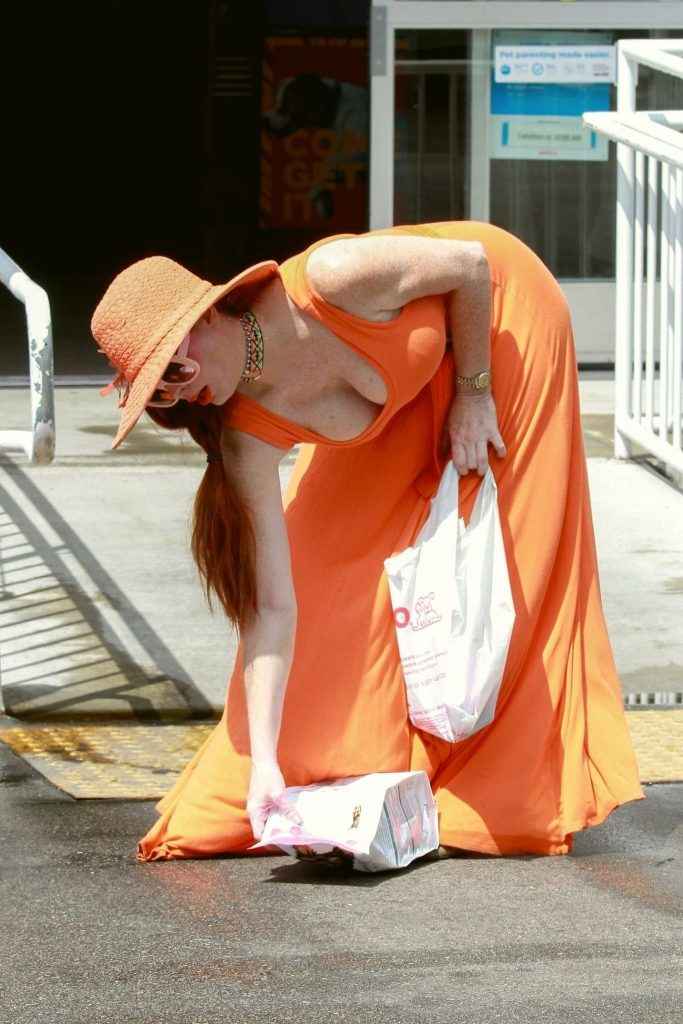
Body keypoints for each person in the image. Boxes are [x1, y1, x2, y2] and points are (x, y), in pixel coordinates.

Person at [91, 220, 644, 863]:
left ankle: (493, 793)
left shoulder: (333, 279)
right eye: (161, 395)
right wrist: (265, 764)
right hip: (408, 388)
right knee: (320, 570)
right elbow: (272, 608)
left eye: (174, 369)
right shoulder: (244, 435)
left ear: (209, 315)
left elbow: (468, 266)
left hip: (495, 324)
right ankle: (339, 778)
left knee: (509, 559)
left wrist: (474, 395)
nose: (181, 393)